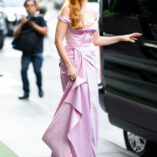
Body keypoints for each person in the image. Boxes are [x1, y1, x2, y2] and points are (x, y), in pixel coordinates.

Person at [42, 0, 142, 156]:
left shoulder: (92, 11)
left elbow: (96, 40)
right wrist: (69, 66)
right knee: (74, 109)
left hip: (89, 63)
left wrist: (122, 37)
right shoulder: (67, 9)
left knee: (90, 111)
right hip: (73, 63)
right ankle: (67, 152)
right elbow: (58, 41)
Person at [13, 0, 47, 99]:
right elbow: (15, 34)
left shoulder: (40, 18)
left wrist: (33, 24)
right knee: (23, 71)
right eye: (27, 6)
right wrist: (21, 24)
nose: (29, 8)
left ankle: (39, 87)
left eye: (31, 5)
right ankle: (26, 92)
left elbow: (44, 31)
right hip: (26, 51)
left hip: (37, 51)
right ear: (25, 7)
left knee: (37, 71)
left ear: (35, 6)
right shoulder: (23, 19)